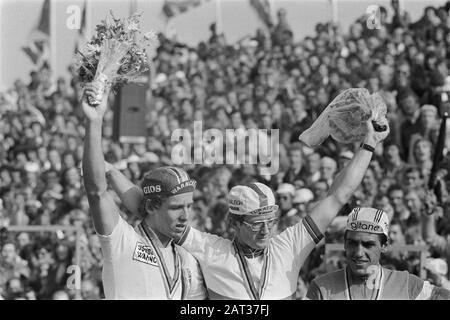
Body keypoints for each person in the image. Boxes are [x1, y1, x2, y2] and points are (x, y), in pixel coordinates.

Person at [107, 118, 389, 299]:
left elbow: (338, 196)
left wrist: (369, 144)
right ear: (234, 222)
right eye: (256, 223)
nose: (266, 230)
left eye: (271, 220)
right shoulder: (211, 249)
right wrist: (107, 170)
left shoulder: (288, 246)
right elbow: (150, 212)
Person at [81, 83, 206, 300]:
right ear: (150, 206)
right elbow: (96, 192)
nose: (186, 216)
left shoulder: (187, 258)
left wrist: (111, 171)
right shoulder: (123, 241)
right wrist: (95, 122)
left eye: (188, 206)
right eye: (176, 208)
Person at [306, 207, 450, 300]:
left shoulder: (405, 283)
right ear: (344, 243)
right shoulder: (322, 287)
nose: (359, 252)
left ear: (384, 246)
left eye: (368, 244)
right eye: (352, 243)